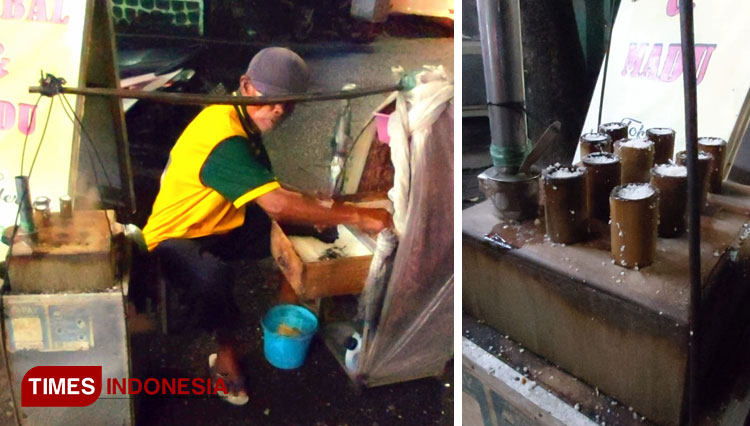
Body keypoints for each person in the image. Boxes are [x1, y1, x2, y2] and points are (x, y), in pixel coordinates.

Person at [141, 47, 391, 405]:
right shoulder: (222, 134)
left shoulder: (244, 119)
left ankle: (284, 314)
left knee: (306, 225)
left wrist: (310, 201)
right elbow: (274, 202)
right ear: (246, 85)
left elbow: (268, 186)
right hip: (174, 237)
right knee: (213, 278)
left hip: (221, 220)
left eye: (288, 103)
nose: (279, 109)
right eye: (272, 98)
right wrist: (357, 215)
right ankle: (225, 356)